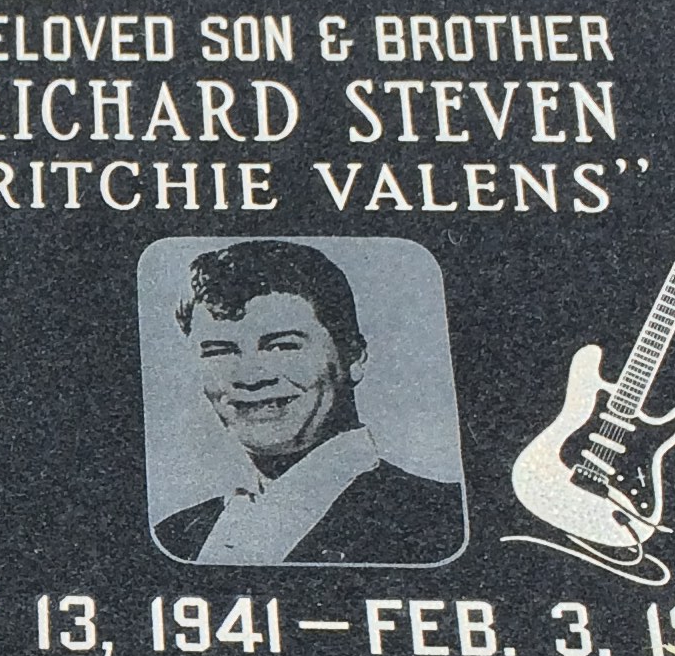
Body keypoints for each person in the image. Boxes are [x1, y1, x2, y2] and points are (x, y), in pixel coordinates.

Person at [153, 239, 463, 565]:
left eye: (282, 347)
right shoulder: (175, 537)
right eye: (219, 352)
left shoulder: (444, 520)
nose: (250, 377)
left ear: (353, 357)